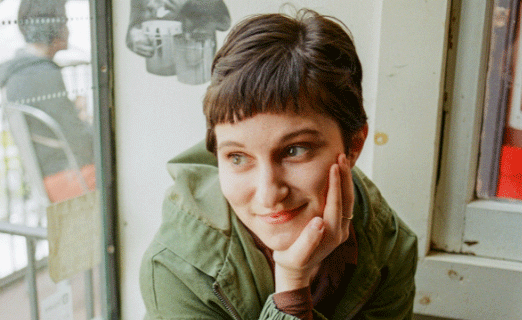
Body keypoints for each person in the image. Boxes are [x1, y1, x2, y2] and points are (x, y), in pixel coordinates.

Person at [140, 9, 418, 320]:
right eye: (237, 157)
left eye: (294, 150)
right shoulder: (179, 268)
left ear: (353, 144)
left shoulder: (390, 245)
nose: (269, 194)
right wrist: (292, 287)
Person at [0, 0, 95, 203]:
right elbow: (82, 144)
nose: (68, 30)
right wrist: (88, 121)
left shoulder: (19, 71)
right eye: (65, 23)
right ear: (52, 27)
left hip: (50, 178)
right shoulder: (41, 74)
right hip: (71, 178)